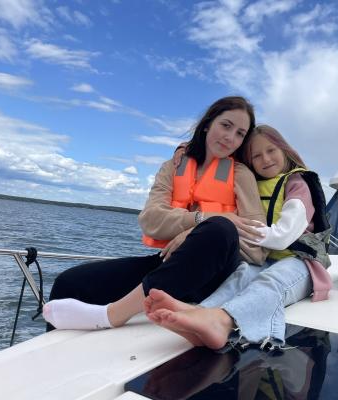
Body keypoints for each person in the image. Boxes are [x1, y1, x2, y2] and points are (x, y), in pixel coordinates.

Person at [42, 96, 268, 330]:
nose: (230, 137)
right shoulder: (173, 166)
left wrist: (198, 233)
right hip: (170, 265)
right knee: (69, 283)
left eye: (240, 134)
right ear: (208, 124)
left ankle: (114, 315)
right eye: (226, 125)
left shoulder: (241, 175)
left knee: (221, 228)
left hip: (215, 276)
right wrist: (199, 221)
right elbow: (150, 220)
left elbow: (257, 247)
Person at [145, 124, 332, 350]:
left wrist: (235, 229)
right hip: (266, 259)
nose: (265, 159)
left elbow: (283, 236)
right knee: (240, 275)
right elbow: (218, 150)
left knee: (271, 282)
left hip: (300, 263)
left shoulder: (297, 184)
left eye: (271, 151)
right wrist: (185, 148)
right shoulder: (252, 183)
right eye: (256, 156)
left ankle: (222, 322)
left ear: (284, 150)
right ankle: (201, 313)